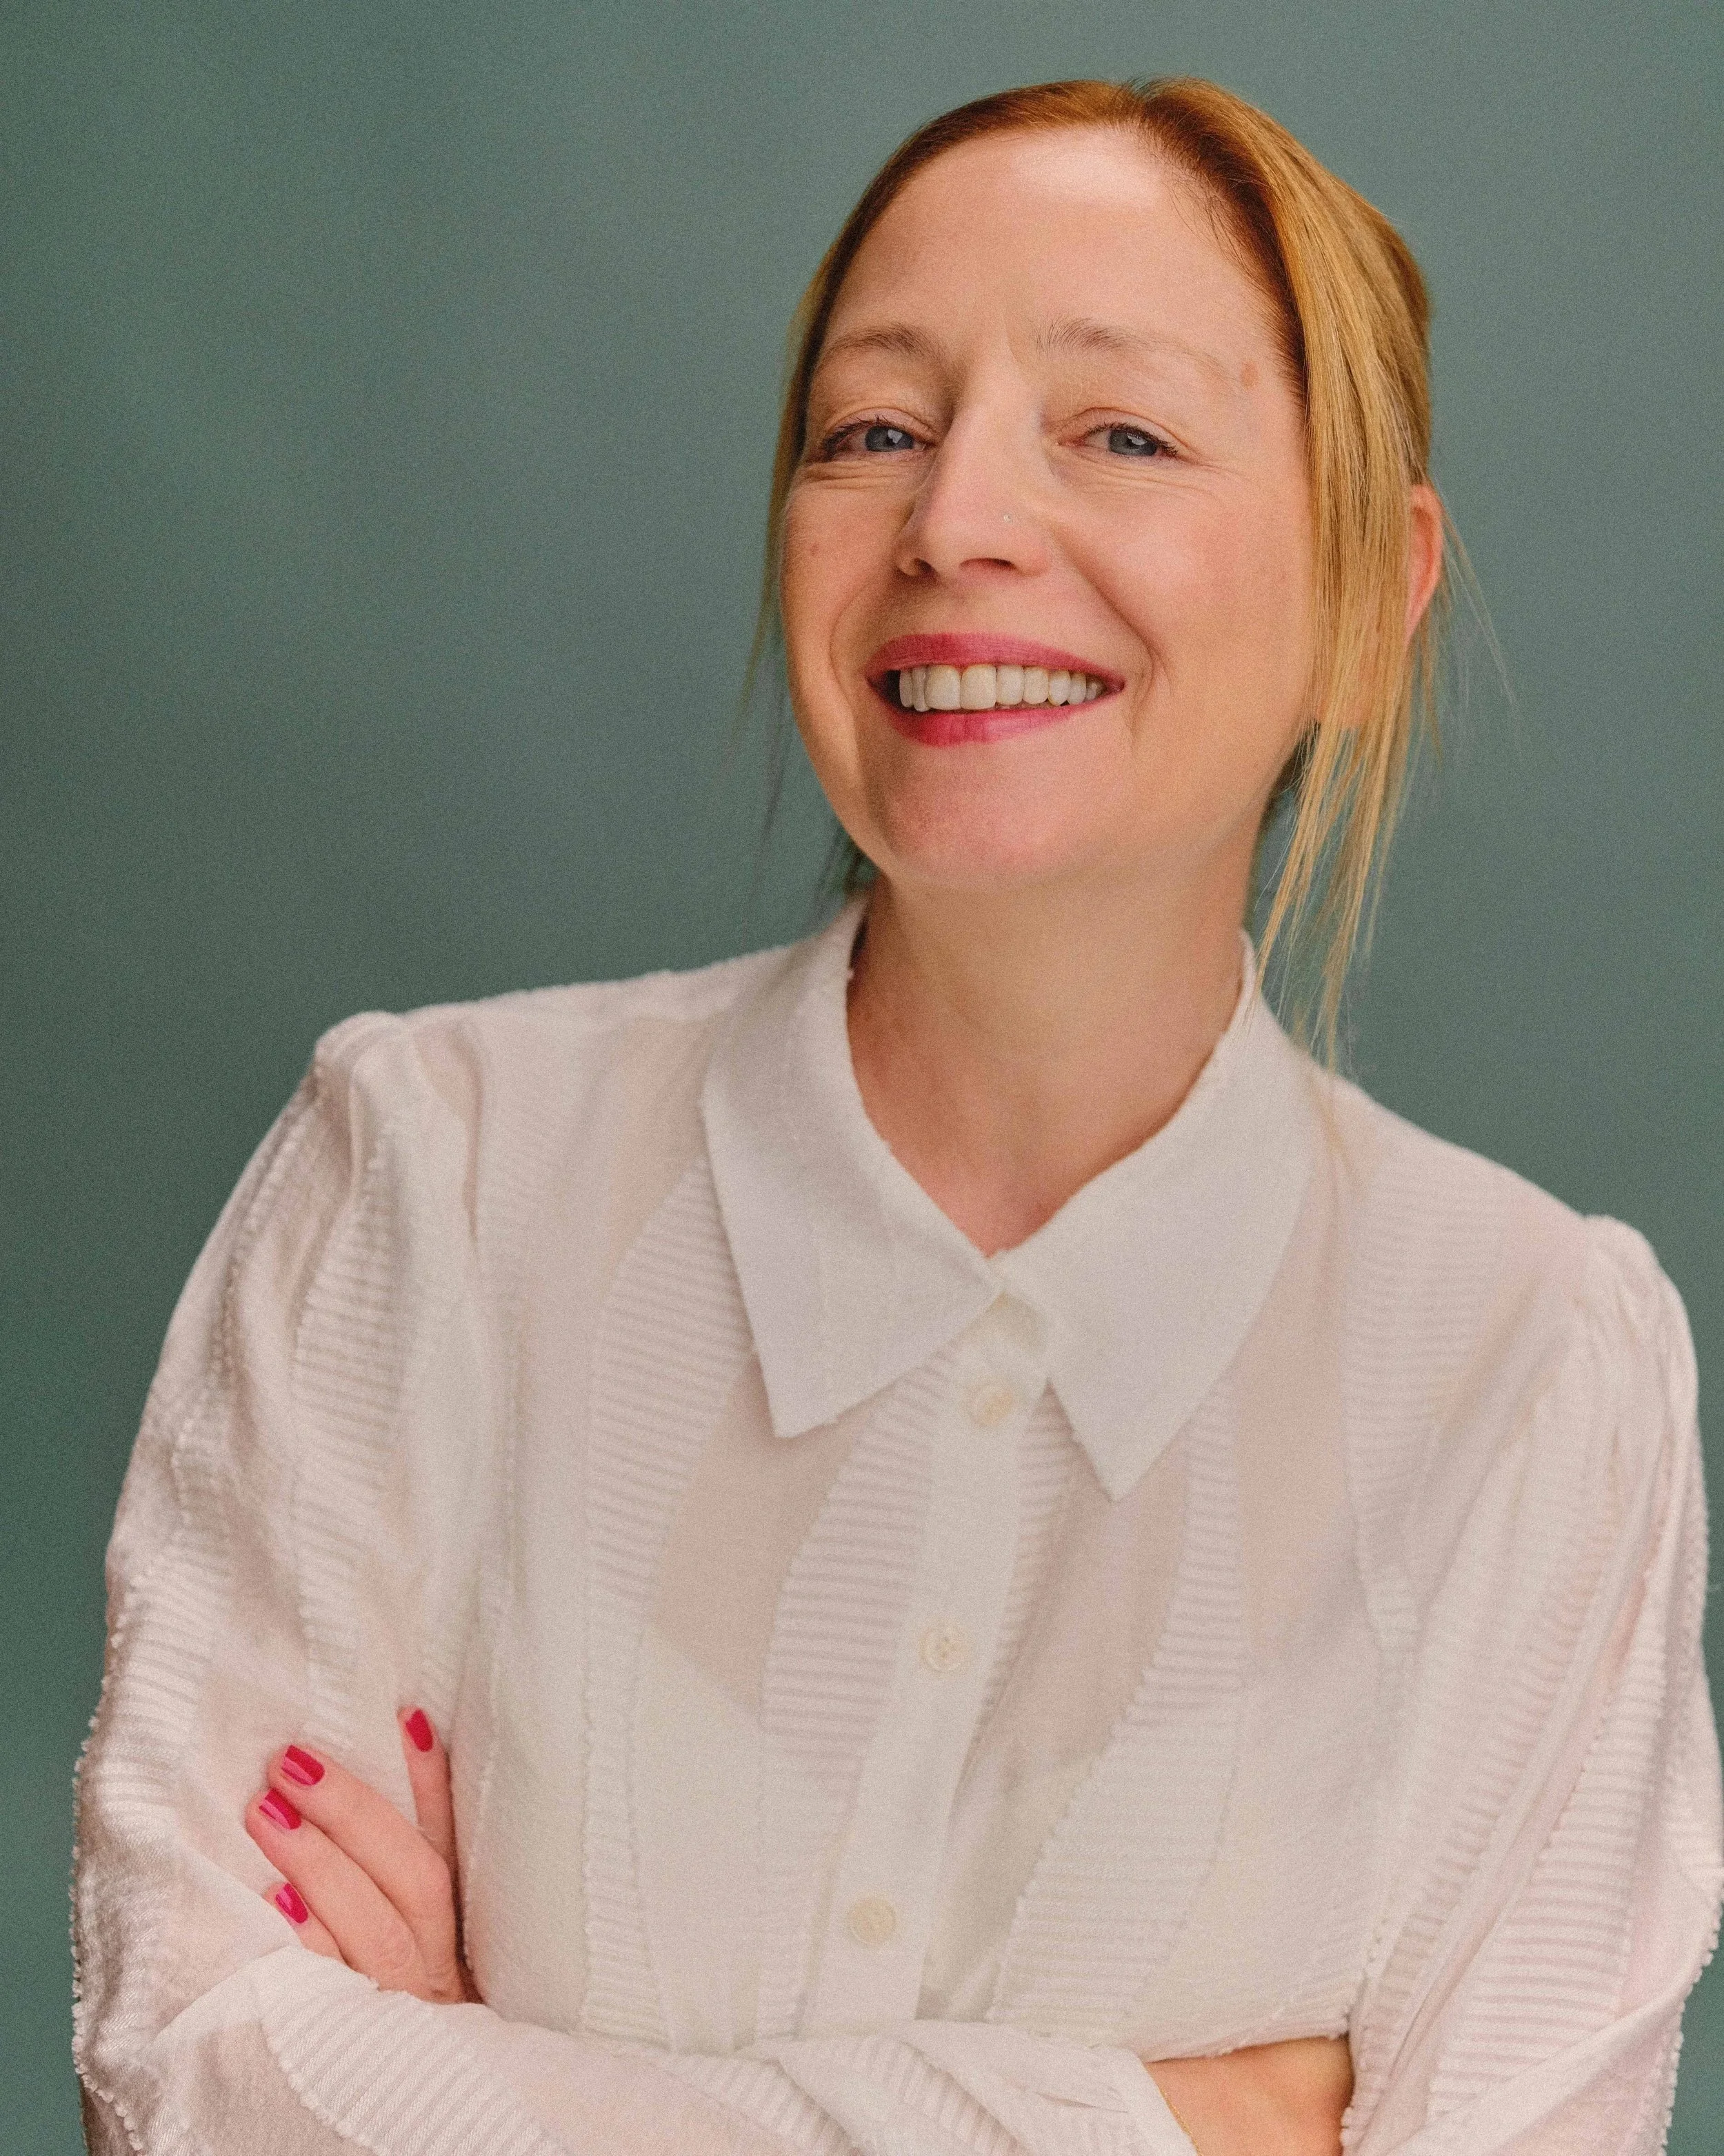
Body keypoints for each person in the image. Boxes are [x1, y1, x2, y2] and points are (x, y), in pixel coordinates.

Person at [72, 76, 1722, 2156]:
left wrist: (501, 2086)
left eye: (1117, 430)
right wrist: (1175, 2126)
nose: (953, 526)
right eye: (872, 429)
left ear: (1370, 601)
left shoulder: (1534, 1366)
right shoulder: (427, 1171)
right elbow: (191, 2083)